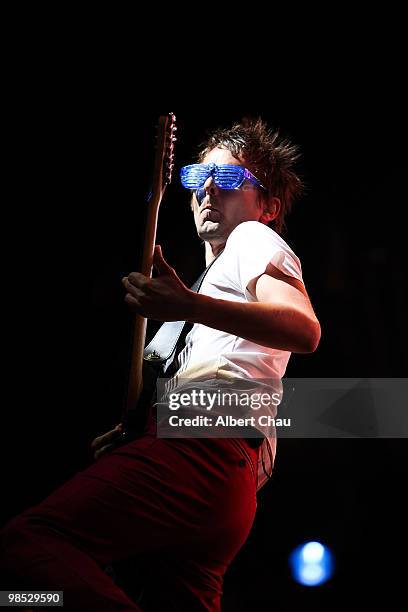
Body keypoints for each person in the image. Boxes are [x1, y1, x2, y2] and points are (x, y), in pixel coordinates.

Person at [0, 117, 321, 611]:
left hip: (204, 452)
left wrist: (188, 308)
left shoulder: (251, 240)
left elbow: (305, 330)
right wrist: (142, 426)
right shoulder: (209, 292)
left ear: (269, 208)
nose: (209, 188)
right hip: (225, 480)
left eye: (232, 179)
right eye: (196, 177)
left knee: (28, 546)